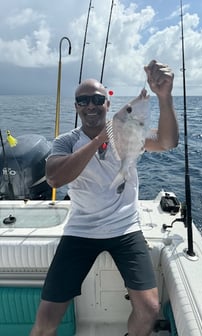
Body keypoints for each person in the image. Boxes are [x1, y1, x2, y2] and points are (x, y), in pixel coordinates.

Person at [30, 59, 179, 336]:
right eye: (83, 100)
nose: (90, 105)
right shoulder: (66, 141)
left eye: (98, 99)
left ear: (107, 105)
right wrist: (100, 137)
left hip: (126, 229)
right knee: (45, 321)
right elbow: (54, 178)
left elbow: (168, 142)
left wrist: (164, 96)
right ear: (76, 107)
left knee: (150, 309)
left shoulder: (128, 131)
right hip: (80, 230)